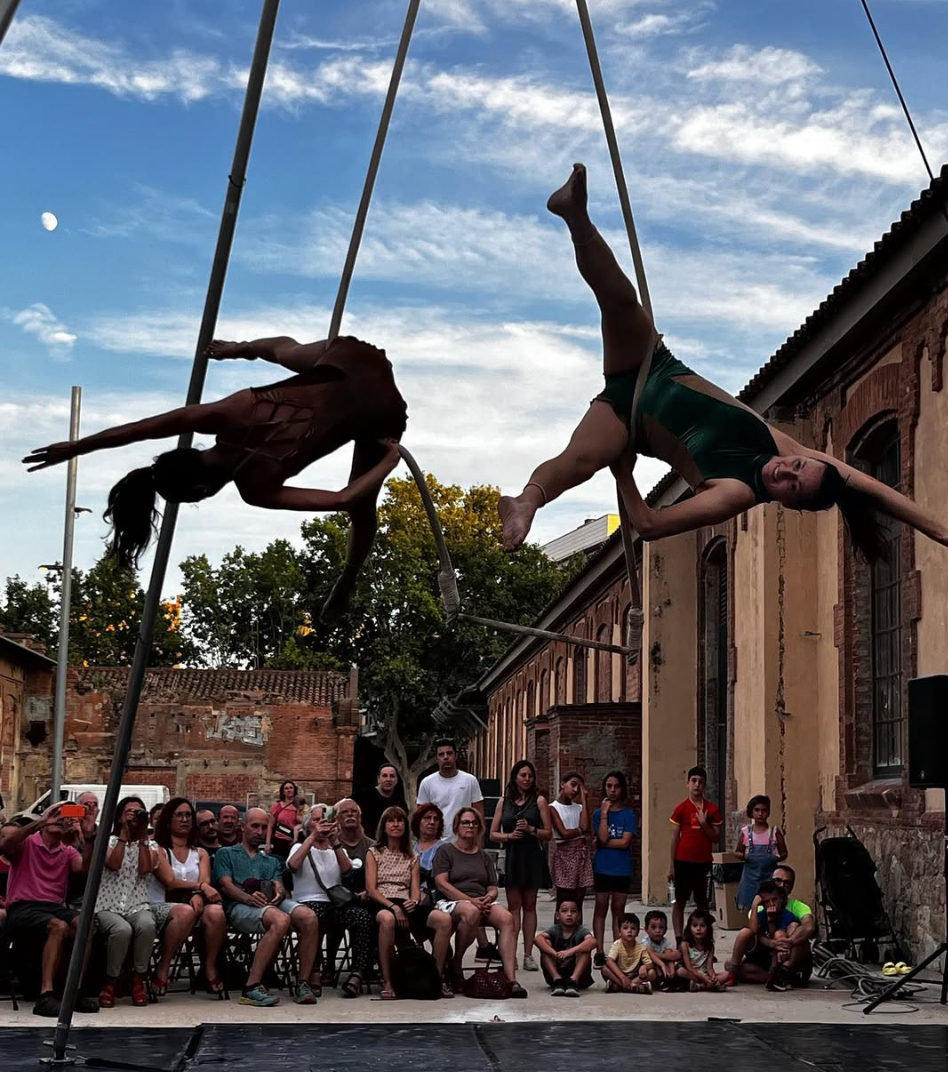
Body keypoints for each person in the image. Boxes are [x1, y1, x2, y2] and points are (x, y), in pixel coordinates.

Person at [499, 163, 948, 561]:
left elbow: (651, 526)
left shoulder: (734, 495)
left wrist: (625, 477)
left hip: (626, 420)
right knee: (620, 302)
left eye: (791, 486)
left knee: (579, 460)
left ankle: (528, 504)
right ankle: (576, 217)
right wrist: (940, 529)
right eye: (796, 469)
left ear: (787, 504)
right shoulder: (792, 453)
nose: (785, 472)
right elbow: (875, 490)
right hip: (652, 366)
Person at [24, 335, 407, 624]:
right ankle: (240, 347)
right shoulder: (234, 411)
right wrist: (77, 447)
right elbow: (148, 427)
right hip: (357, 360)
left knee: (363, 510)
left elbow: (344, 499)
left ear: (201, 492)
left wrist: (389, 460)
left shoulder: (256, 488)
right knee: (284, 351)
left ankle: (348, 576)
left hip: (381, 415)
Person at [212, 806, 319, 1007]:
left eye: (263, 827)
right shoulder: (226, 853)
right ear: (243, 827)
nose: (259, 831)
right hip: (238, 906)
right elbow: (225, 885)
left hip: (268, 903)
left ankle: (303, 983)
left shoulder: (271, 861)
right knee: (280, 919)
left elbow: (278, 885)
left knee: (309, 917)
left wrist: (279, 893)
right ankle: (252, 986)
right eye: (254, 826)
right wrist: (248, 898)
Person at [0, 804, 98, 1017]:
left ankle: (75, 990)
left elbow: (85, 869)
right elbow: (6, 845)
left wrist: (89, 837)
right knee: (58, 926)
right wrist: (40, 822)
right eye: (58, 816)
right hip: (23, 906)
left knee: (85, 924)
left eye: (67, 818)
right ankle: (46, 994)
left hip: (53, 907)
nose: (62, 820)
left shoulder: (67, 850)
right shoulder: (27, 843)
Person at [416, 738, 496, 963]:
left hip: (465, 847)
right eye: (441, 754)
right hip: (436, 847)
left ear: (455, 755)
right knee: (437, 894)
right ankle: (440, 947)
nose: (445, 758)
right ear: (437, 757)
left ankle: (480, 945)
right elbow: (423, 814)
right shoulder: (428, 783)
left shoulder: (469, 780)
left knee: (471, 894)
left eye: (449, 753)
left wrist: (477, 845)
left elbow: (479, 814)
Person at [432, 808, 526, 997]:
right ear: (457, 826)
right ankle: (456, 965)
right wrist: (470, 900)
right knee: (471, 912)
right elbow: (441, 883)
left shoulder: (483, 856)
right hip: (452, 902)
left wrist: (488, 897)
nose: (470, 826)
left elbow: (492, 886)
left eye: (474, 823)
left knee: (507, 918)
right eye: (466, 822)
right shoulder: (446, 851)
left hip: (481, 901)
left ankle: (511, 979)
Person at [366, 806, 454, 999]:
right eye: (391, 821)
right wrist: (392, 906)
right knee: (388, 920)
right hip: (382, 902)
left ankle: (436, 978)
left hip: (406, 902)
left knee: (444, 920)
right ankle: (388, 981)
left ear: (405, 826)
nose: (396, 824)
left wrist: (414, 901)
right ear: (384, 826)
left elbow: (415, 890)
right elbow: (371, 889)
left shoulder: (412, 856)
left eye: (399, 821)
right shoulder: (374, 852)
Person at [287, 805, 374, 999]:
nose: (322, 824)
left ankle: (357, 973)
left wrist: (334, 840)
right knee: (316, 914)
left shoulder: (335, 848)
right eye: (317, 820)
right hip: (307, 902)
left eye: (325, 820)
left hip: (334, 903)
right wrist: (312, 837)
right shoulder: (299, 846)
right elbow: (292, 865)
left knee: (362, 917)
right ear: (308, 824)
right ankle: (314, 971)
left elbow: (347, 871)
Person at [149, 798, 226, 995]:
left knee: (216, 912)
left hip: (194, 906)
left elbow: (205, 880)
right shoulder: (158, 849)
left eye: (188, 815)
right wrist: (199, 887)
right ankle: (164, 965)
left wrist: (199, 893)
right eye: (179, 815)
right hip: (162, 907)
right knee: (185, 912)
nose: (184, 819)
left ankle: (209, 966)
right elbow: (170, 882)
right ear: (168, 820)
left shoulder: (199, 853)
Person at [95, 796, 165, 1009]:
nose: (135, 816)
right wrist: (124, 834)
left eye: (139, 812)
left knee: (147, 924)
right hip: (107, 905)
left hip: (137, 904)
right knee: (122, 930)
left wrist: (142, 834)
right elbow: (114, 864)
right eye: (130, 812)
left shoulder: (151, 844)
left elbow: (145, 869)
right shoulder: (107, 840)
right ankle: (111, 980)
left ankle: (138, 978)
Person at [490, 760, 552, 972]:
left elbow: (548, 833)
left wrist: (531, 829)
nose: (526, 779)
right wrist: (509, 836)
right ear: (515, 777)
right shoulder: (503, 801)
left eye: (530, 776)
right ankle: (511, 953)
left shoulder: (540, 801)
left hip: (532, 854)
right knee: (513, 906)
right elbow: (492, 833)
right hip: (513, 855)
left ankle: (528, 954)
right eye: (523, 775)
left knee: (530, 905)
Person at [727, 865, 814, 988]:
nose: (781, 885)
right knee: (732, 962)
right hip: (765, 957)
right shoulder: (760, 908)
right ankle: (779, 978)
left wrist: (786, 943)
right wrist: (772, 943)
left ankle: (785, 971)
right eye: (777, 880)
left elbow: (809, 927)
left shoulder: (797, 907)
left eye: (787, 882)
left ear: (792, 887)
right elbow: (754, 932)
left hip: (787, 954)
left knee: (794, 927)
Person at [669, 765, 722, 941]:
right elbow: (675, 838)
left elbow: (716, 838)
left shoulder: (712, 809)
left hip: (703, 863)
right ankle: (679, 939)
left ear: (705, 786)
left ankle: (704, 941)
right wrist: (671, 866)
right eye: (694, 781)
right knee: (679, 902)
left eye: (701, 782)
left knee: (703, 904)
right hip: (683, 861)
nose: (697, 785)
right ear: (688, 783)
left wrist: (704, 823)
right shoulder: (681, 809)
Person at [591, 770, 637, 968]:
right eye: (609, 786)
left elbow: (625, 842)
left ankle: (616, 950)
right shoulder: (597, 814)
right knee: (600, 907)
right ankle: (599, 951)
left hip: (621, 867)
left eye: (616, 786)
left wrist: (604, 843)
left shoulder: (628, 814)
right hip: (602, 866)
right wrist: (603, 814)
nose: (612, 790)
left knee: (618, 909)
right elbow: (601, 838)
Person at [533, 896, 596, 997]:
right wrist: (555, 954)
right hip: (556, 976)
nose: (569, 914)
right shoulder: (555, 929)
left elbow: (592, 941)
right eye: (565, 911)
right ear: (557, 916)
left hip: (580, 978)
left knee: (585, 948)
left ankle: (573, 981)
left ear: (579, 916)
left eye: (573, 911)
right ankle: (557, 980)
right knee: (546, 944)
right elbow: (538, 939)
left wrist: (570, 952)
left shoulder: (581, 930)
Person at [735, 795, 788, 910]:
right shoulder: (745, 832)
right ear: (751, 812)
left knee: (769, 904)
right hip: (750, 878)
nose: (760, 814)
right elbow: (738, 852)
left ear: (768, 812)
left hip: (769, 876)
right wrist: (744, 856)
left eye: (764, 810)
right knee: (749, 906)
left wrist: (775, 858)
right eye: (757, 810)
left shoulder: (774, 832)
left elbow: (784, 853)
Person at [549, 771, 594, 909]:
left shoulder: (579, 808)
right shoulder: (553, 808)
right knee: (564, 899)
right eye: (573, 785)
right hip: (564, 855)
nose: (575, 790)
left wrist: (584, 799)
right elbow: (564, 833)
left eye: (578, 788)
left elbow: (586, 826)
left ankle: (578, 930)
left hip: (581, 855)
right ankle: (560, 930)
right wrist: (580, 831)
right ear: (563, 784)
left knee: (579, 899)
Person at [677, 908, 732, 991]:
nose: (698, 929)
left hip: (705, 973)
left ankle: (701, 986)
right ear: (689, 927)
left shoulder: (709, 946)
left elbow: (709, 967)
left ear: (708, 928)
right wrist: (702, 977)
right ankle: (710, 986)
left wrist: (713, 976)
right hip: (692, 973)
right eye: (695, 925)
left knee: (728, 974)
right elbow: (688, 967)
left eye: (702, 925)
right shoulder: (685, 944)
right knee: (680, 971)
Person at [601, 912, 652, 994]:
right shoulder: (617, 944)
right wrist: (623, 977)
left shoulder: (641, 948)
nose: (629, 931)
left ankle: (620, 986)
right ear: (619, 932)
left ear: (638, 932)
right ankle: (633, 987)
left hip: (634, 976)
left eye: (633, 928)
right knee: (604, 969)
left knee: (651, 973)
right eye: (625, 928)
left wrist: (644, 967)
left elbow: (650, 963)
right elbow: (609, 961)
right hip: (619, 975)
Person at [410, 802, 450, 898]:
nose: (432, 822)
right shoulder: (409, 847)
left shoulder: (445, 848)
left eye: (436, 819)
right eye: (427, 818)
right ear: (418, 821)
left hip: (431, 895)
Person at [357, 763, 407, 837]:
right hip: (369, 844)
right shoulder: (364, 795)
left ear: (396, 780)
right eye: (385, 776)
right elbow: (339, 806)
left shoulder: (399, 801)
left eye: (392, 776)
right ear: (378, 779)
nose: (388, 779)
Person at [639, 909, 681, 990]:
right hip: (653, 967)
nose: (657, 931)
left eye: (661, 927)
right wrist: (663, 962)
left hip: (664, 966)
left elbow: (676, 955)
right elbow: (650, 954)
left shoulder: (665, 941)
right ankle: (662, 979)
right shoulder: (646, 941)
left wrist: (666, 956)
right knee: (655, 960)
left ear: (665, 930)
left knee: (668, 952)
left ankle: (671, 976)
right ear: (646, 929)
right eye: (653, 927)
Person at [266, 781, 301, 861]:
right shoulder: (277, 806)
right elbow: (270, 826)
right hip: (279, 841)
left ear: (294, 790)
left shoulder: (300, 807)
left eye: (291, 788)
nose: (289, 790)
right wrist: (268, 844)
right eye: (286, 788)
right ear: (283, 792)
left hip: (293, 842)